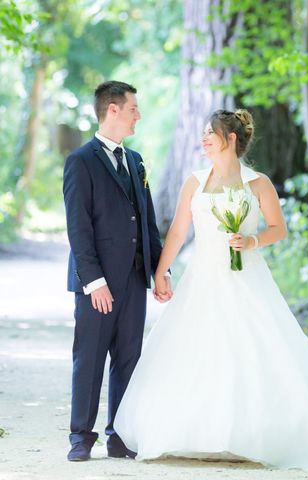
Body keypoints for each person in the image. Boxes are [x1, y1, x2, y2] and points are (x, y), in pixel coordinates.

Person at [113, 109, 308, 470]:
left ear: (232, 139)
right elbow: (178, 232)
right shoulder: (194, 181)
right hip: (202, 280)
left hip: (246, 277)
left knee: (253, 348)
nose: (204, 138)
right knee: (197, 350)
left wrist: (253, 240)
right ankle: (194, 433)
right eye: (204, 133)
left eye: (211, 133)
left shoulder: (258, 184)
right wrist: (162, 272)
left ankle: (253, 435)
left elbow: (278, 228)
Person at [62, 81, 169, 462]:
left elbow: (148, 223)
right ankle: (80, 437)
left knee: (128, 358)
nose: (138, 115)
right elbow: (78, 227)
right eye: (133, 108)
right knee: (89, 358)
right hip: (97, 285)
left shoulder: (136, 161)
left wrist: (159, 270)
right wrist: (94, 282)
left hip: (135, 279)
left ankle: (119, 436)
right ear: (113, 110)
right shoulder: (80, 161)